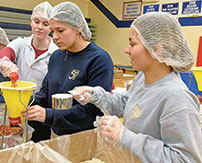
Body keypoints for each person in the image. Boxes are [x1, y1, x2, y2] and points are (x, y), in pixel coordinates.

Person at [72, 12, 202, 162]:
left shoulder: (177, 98)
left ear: (156, 50)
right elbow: (126, 105)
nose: (126, 50)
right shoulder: (142, 77)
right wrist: (95, 95)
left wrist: (124, 136)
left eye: (132, 44)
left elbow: (186, 159)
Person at [21, 1, 114, 142]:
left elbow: (91, 111)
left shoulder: (98, 59)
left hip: (83, 137)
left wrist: (48, 115)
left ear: (77, 27)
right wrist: (28, 103)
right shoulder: (57, 56)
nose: (55, 37)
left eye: (60, 30)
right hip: (56, 133)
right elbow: (46, 90)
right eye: (52, 31)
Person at [0, 1, 58, 142]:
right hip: (18, 102)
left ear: (51, 28)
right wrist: (5, 62)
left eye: (45, 24)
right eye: (36, 22)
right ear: (31, 22)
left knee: (39, 141)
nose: (40, 27)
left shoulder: (56, 52)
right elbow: (5, 52)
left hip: (41, 106)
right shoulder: (21, 43)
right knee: (18, 140)